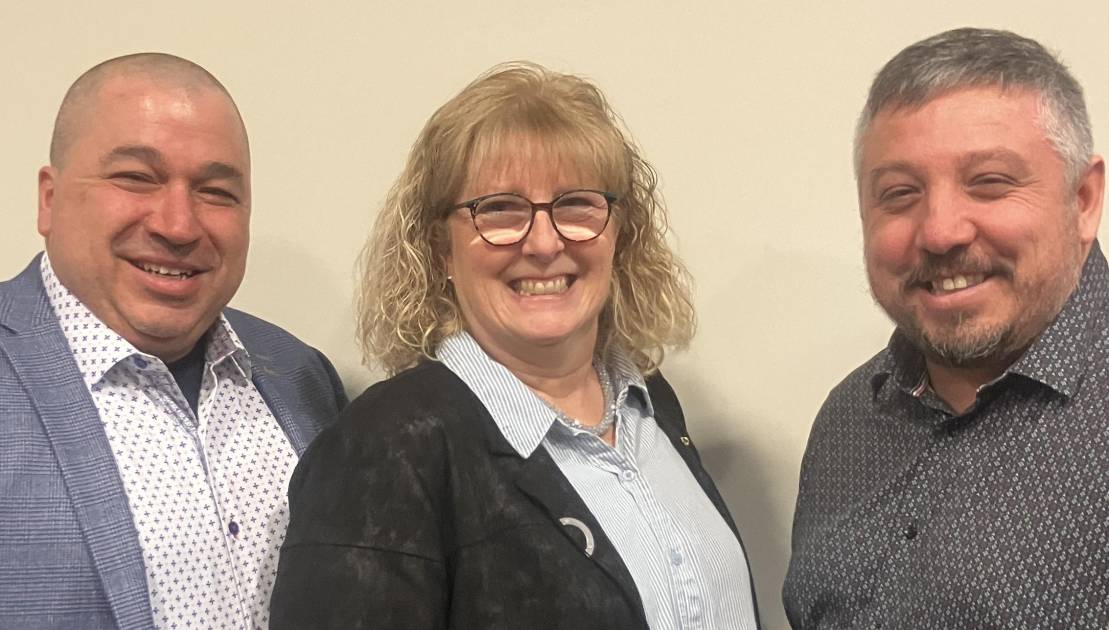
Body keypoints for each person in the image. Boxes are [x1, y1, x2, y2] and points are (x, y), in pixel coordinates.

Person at [270, 62, 760, 629]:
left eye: (577, 204)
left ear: (618, 232)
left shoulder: (651, 405)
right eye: (500, 209)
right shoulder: (384, 448)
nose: (545, 242)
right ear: (440, 249)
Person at [0, 53, 348, 630]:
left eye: (216, 191)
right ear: (49, 198)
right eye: (136, 178)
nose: (178, 225)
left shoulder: (302, 378)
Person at [783, 27, 1108, 628]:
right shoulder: (848, 419)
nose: (940, 231)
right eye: (900, 194)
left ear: (1083, 199)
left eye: (989, 182)